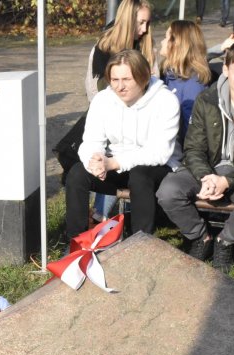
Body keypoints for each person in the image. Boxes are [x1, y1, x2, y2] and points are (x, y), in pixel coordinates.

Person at [157, 40, 234, 272]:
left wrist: (227, 181)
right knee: (168, 191)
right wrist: (206, 176)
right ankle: (199, 237)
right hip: (207, 168)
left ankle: (225, 241)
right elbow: (193, 148)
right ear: (225, 69)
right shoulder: (207, 99)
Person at [65, 49, 180, 242]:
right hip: (116, 164)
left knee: (140, 176)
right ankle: (77, 244)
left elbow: (159, 152)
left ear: (143, 77)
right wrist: (95, 160)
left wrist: (113, 163)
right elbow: (91, 140)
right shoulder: (103, 99)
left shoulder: (165, 100)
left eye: (127, 79)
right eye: (115, 80)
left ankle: (140, 245)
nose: (120, 87)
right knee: (77, 173)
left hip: (158, 167)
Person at [84, 0, 157, 223]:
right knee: (107, 157)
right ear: (127, 19)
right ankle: (100, 217)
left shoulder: (145, 46)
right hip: (111, 118)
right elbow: (93, 85)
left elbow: (154, 83)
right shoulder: (104, 47)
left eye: (147, 23)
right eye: (140, 22)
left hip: (142, 120)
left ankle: (129, 216)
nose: (144, 29)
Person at [159, 20, 211, 153]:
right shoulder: (169, 75)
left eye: (166, 38)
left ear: (177, 44)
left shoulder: (192, 86)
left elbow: (190, 132)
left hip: (178, 153)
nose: (162, 42)